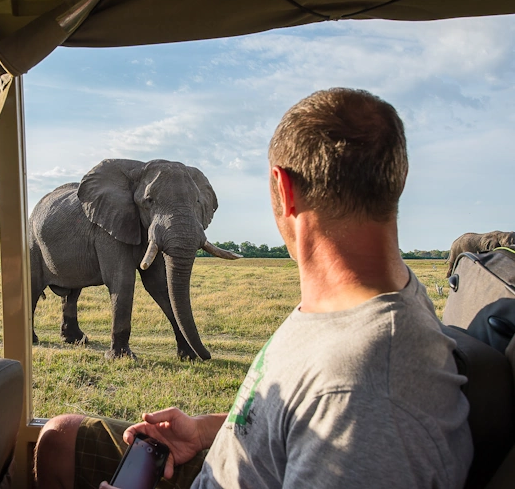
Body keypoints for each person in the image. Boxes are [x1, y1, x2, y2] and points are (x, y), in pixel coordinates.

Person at [33, 88, 474, 489]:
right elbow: (300, 422)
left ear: (284, 190)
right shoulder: (348, 307)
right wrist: (208, 430)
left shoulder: (364, 394)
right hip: (221, 457)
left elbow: (345, 415)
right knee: (59, 436)